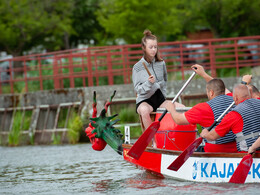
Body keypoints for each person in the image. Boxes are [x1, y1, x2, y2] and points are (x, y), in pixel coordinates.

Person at [164, 64, 252, 152]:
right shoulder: (234, 99)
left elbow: (179, 120)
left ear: (211, 92)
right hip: (236, 149)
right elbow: (219, 87)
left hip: (214, 151)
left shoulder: (203, 108)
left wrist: (171, 108)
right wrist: (203, 74)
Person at [132, 29, 183, 132]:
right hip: (144, 100)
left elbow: (164, 82)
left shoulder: (161, 63)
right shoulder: (137, 67)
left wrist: (163, 96)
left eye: (155, 47)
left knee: (181, 107)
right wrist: (148, 84)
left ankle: (177, 137)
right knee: (144, 110)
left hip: (160, 99)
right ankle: (153, 140)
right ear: (144, 48)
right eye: (150, 47)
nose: (154, 49)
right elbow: (138, 89)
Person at [200, 84, 260, 153]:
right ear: (249, 95)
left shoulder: (234, 114)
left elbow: (213, 136)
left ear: (235, 98)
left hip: (248, 155)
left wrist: (206, 134)